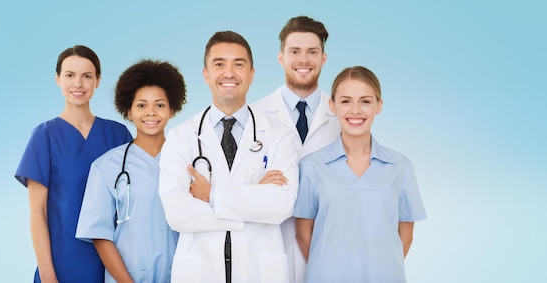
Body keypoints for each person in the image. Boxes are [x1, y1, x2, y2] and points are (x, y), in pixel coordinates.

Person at [158, 31, 300, 283]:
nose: (229, 73)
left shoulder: (279, 134)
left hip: (260, 270)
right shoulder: (181, 137)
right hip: (200, 271)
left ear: (252, 74)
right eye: (219, 64)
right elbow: (177, 213)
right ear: (205, 74)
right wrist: (254, 200)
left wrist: (212, 195)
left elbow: (281, 205)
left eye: (239, 64)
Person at [294, 66, 427, 283]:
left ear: (379, 106)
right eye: (346, 101)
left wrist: (380, 267)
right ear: (332, 105)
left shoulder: (400, 167)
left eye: (365, 101)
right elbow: (303, 234)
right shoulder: (311, 166)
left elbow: (406, 234)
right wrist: (329, 268)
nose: (355, 110)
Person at [15, 45, 132, 283]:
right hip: (61, 263)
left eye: (86, 76)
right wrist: (48, 274)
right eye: (70, 75)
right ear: (58, 79)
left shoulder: (117, 134)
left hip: (111, 261)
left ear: (97, 81)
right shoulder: (44, 136)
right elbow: (38, 212)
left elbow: (133, 202)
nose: (78, 84)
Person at [76, 59, 187, 283]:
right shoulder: (106, 166)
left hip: (184, 275)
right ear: (128, 111)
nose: (151, 113)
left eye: (160, 104)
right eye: (141, 105)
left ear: (172, 109)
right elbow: (100, 236)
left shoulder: (187, 160)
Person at [251, 15, 340, 283]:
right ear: (281, 58)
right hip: (267, 244)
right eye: (295, 52)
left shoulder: (343, 117)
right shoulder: (254, 115)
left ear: (323, 58)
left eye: (312, 52)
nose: (304, 60)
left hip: (326, 242)